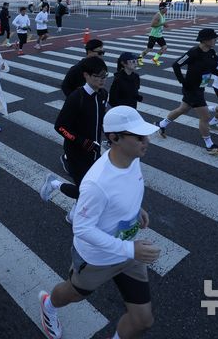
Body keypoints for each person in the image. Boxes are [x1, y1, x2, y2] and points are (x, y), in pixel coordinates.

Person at [38, 106, 161, 339]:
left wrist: (136, 209)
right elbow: (82, 229)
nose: (146, 141)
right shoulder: (96, 184)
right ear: (114, 138)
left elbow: (128, 187)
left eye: (145, 135)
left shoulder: (132, 158)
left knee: (143, 320)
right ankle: (48, 305)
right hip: (97, 257)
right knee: (73, 294)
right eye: (138, 137)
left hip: (128, 251)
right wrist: (130, 248)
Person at [42, 57, 108, 204]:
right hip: (77, 153)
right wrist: (81, 141)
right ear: (86, 75)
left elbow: (100, 119)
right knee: (84, 191)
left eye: (105, 76)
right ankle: (54, 185)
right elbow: (60, 127)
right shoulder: (76, 98)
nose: (103, 80)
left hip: (95, 150)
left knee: (93, 187)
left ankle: (74, 211)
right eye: (98, 76)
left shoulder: (103, 94)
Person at [155, 28, 218, 155]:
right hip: (192, 88)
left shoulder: (211, 52)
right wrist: (183, 81)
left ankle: (161, 124)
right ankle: (209, 145)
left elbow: (210, 67)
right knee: (205, 117)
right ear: (205, 40)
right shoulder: (194, 52)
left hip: (200, 87)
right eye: (213, 38)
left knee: (182, 109)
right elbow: (176, 65)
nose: (216, 40)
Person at [137, 3, 168, 67]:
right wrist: (162, 24)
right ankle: (139, 59)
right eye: (166, 8)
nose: (167, 9)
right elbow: (152, 25)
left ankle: (155, 59)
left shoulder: (163, 14)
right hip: (153, 35)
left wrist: (165, 25)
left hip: (159, 35)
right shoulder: (157, 15)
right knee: (149, 49)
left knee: (164, 47)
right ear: (162, 8)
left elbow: (163, 24)